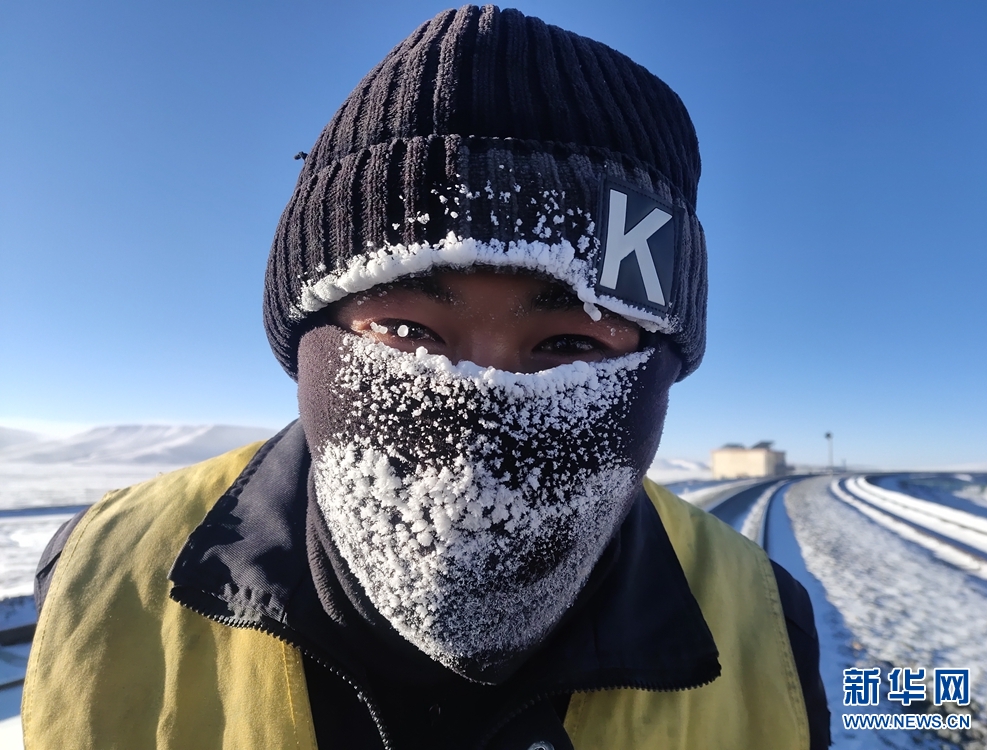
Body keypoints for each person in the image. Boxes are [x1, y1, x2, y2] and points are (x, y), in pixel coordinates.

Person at [23, 6, 830, 749]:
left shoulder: (765, 627)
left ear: (659, 365)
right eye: (407, 331)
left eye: (569, 343)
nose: (480, 406)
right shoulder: (102, 572)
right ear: (308, 336)